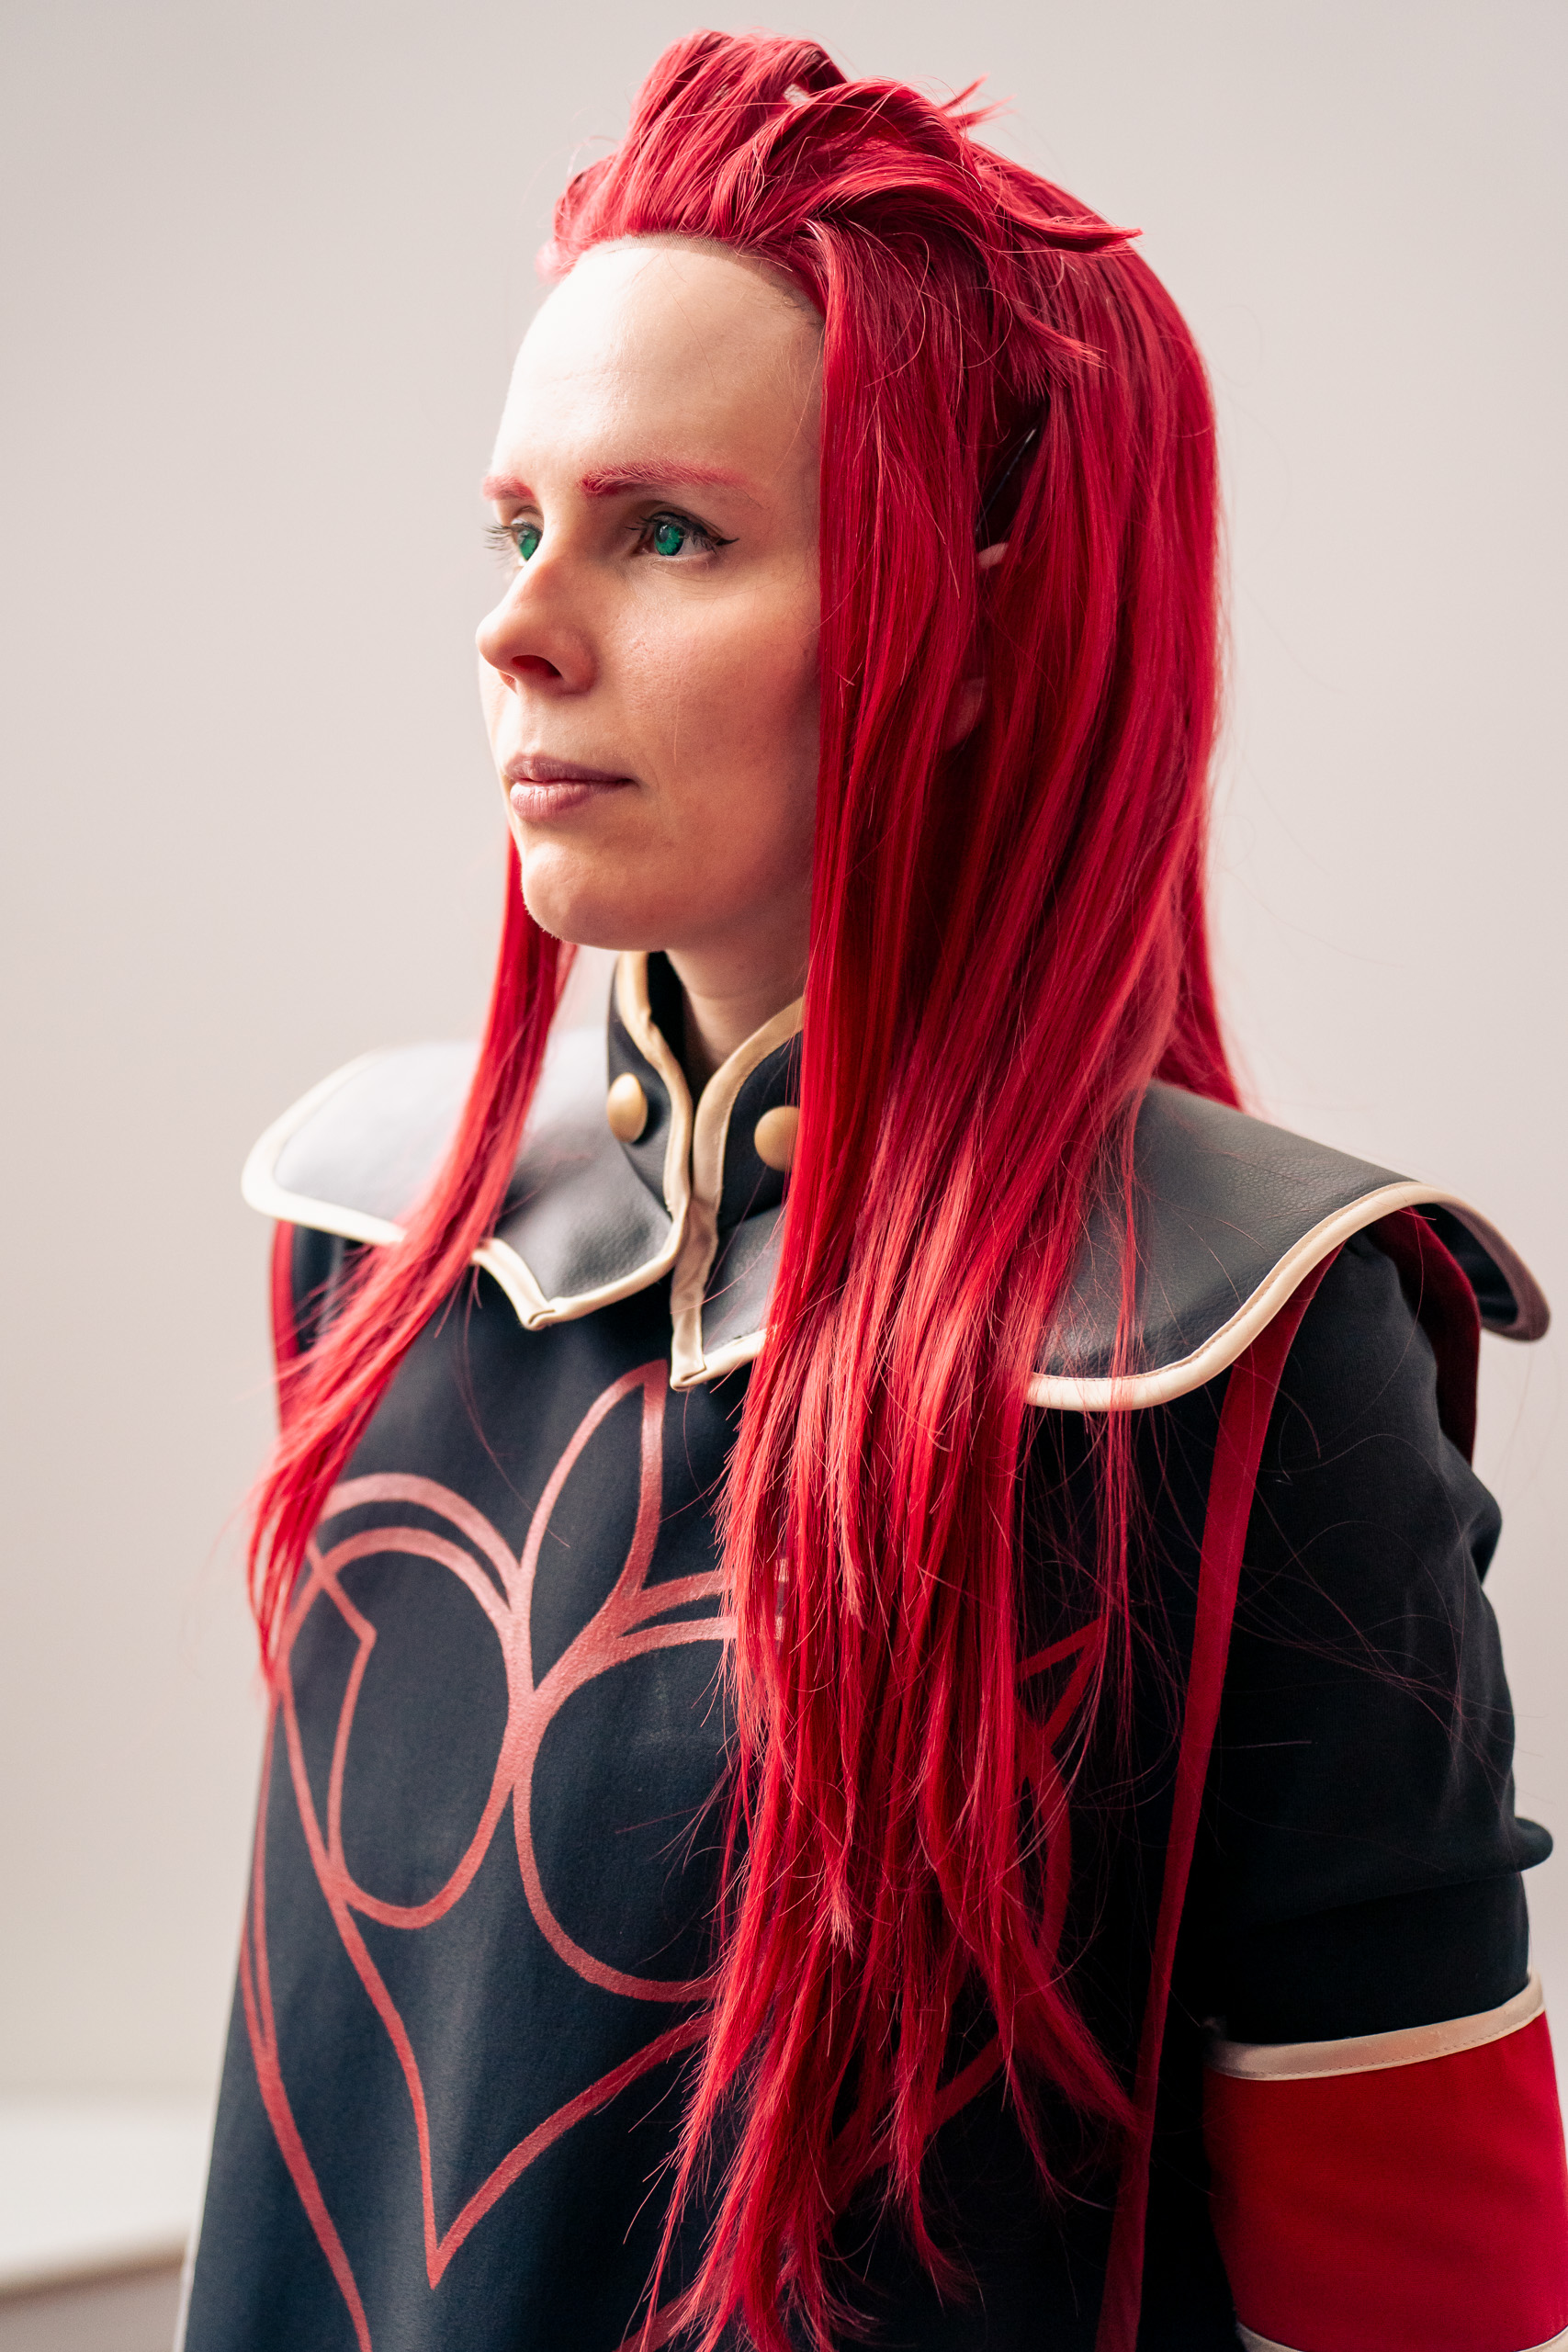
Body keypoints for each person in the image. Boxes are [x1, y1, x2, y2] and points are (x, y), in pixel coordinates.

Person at [180, 30, 1568, 2352]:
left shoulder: (1243, 1343)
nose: (519, 625)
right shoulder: (377, 1231)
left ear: (981, 613)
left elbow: (1413, 2286)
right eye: (515, 524)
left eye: (666, 531)